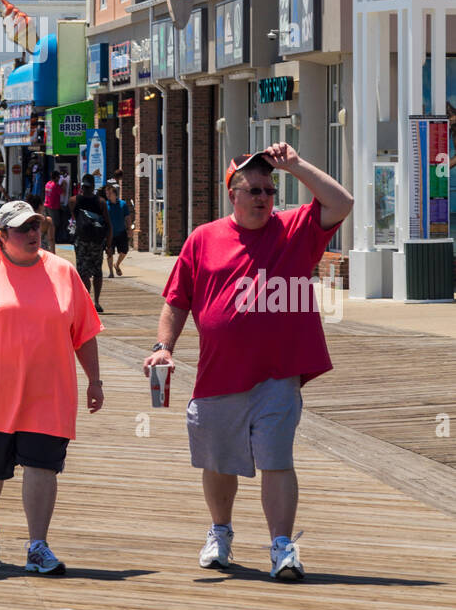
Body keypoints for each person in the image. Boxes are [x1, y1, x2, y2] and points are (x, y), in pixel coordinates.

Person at [143, 145, 353, 582]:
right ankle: (220, 533)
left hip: (278, 375)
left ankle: (281, 546)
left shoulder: (295, 229)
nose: (263, 197)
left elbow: (341, 202)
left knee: (276, 459)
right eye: (253, 189)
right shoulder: (203, 238)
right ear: (232, 194)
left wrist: (295, 165)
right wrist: (164, 346)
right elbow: (177, 300)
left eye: (269, 190)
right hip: (219, 374)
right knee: (218, 463)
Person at [0, 199, 104, 574]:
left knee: (42, 465)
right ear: (0, 236)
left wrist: (95, 380)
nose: (32, 234)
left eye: (36, 226)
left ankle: (37, 546)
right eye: (23, 228)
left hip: (48, 391)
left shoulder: (63, 272)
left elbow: (85, 332)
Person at [71, 175, 110, 314]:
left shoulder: (74, 200)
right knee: (96, 272)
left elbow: (74, 217)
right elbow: (108, 224)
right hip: (97, 241)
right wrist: (109, 245)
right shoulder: (101, 202)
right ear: (94, 187)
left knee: (84, 272)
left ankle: (87, 300)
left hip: (82, 240)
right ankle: (96, 302)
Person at [105, 182, 134, 278]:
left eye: (109, 193)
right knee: (109, 252)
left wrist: (129, 229)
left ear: (114, 193)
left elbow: (127, 217)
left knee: (124, 250)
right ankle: (111, 272)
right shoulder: (105, 205)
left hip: (121, 231)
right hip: (110, 233)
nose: (107, 195)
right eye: (106, 193)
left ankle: (116, 264)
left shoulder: (123, 204)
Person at [43, 171, 62, 240]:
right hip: (53, 207)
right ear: (56, 177)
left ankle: (47, 236)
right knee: (54, 223)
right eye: (59, 177)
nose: (60, 178)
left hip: (47, 205)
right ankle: (52, 238)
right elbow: (62, 192)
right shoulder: (55, 185)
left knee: (47, 222)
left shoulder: (48, 184)